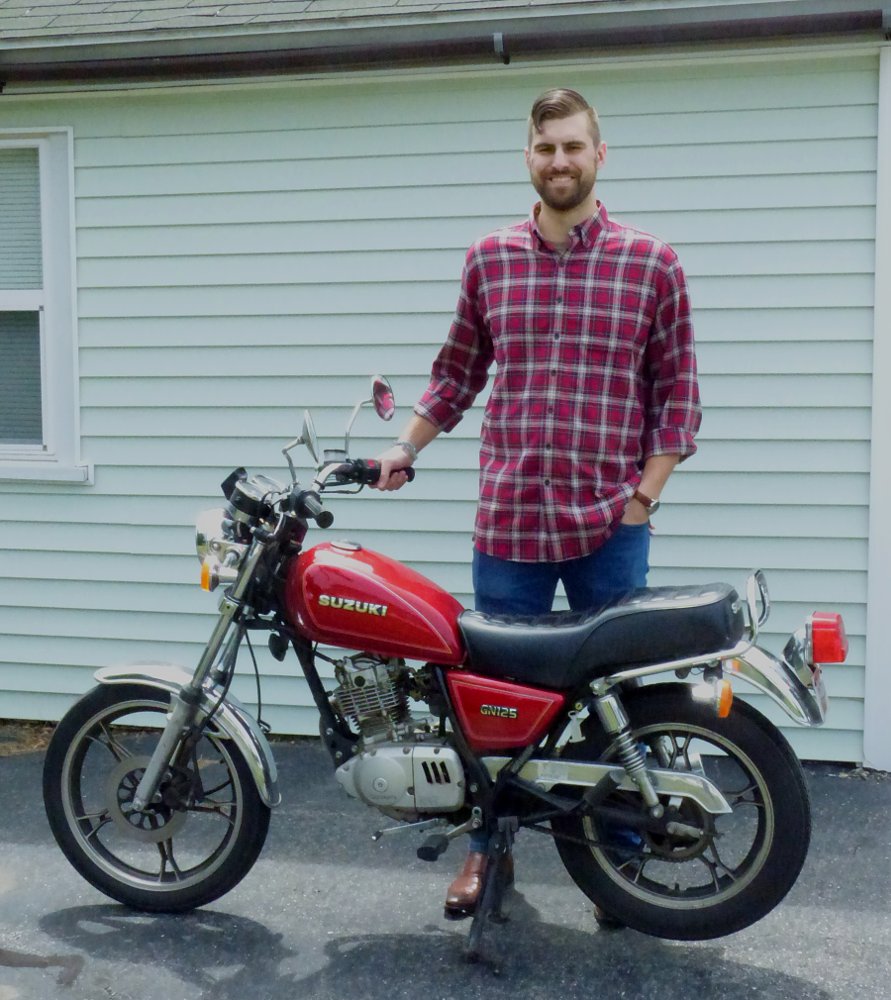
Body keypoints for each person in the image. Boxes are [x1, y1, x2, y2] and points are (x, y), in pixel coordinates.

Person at [374, 87, 701, 919]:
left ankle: (620, 869)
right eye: (544, 147)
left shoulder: (652, 263)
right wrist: (403, 450)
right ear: (528, 156)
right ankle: (489, 857)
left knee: (615, 705)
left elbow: (676, 395)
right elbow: (455, 375)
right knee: (492, 707)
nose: (559, 161)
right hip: (509, 524)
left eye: (573, 146)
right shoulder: (488, 259)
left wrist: (644, 497)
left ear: (599, 155)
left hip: (608, 529)